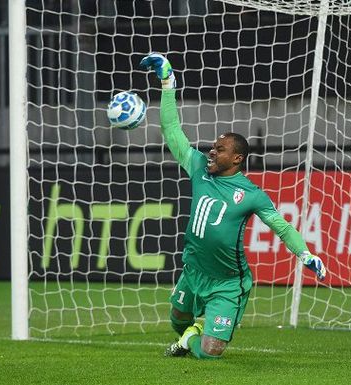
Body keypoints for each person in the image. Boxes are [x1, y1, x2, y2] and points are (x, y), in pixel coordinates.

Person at [139, 53, 326, 360]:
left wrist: (305, 253)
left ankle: (190, 342)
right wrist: (167, 83)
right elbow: (172, 131)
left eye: (220, 149)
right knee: (177, 319)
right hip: (194, 270)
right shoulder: (197, 166)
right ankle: (187, 332)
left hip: (228, 281)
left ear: (237, 159)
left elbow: (281, 227)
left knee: (211, 353)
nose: (211, 151)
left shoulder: (250, 194)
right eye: (213, 146)